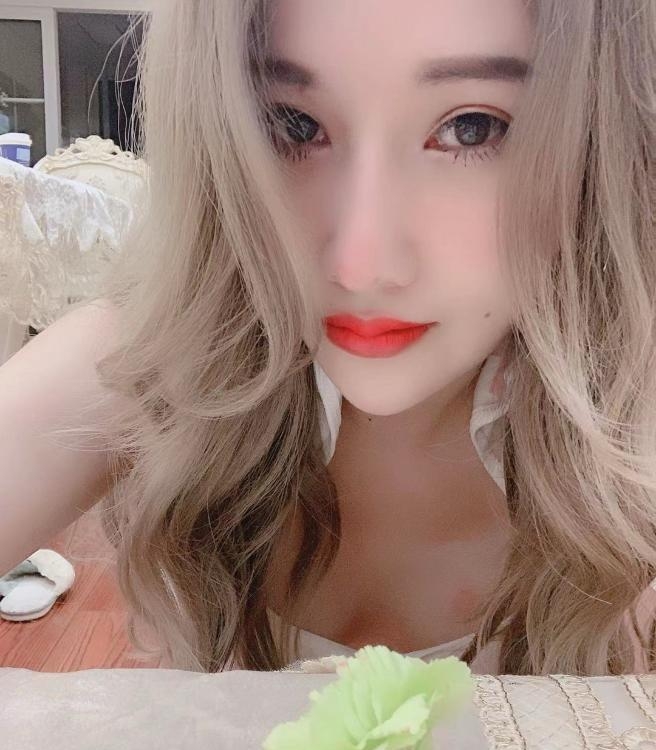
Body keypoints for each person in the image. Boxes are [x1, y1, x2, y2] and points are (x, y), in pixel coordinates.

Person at [1, 0, 655, 676]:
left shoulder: (636, 445)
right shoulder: (147, 363)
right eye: (293, 124)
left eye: (472, 127)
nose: (359, 265)